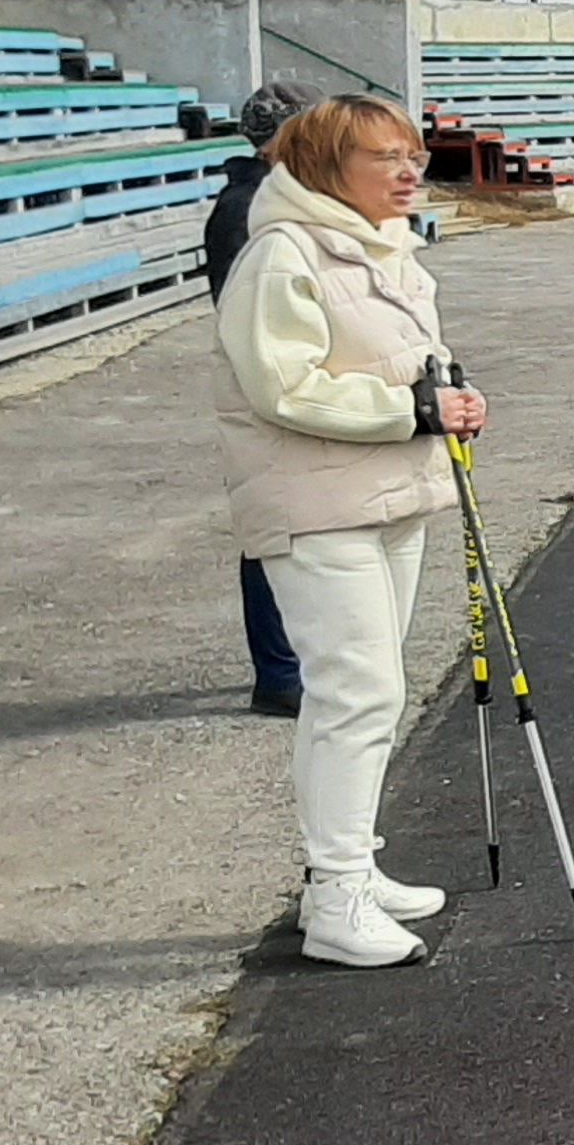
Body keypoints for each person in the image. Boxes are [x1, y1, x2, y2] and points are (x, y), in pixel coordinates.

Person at [215, 92, 489, 969]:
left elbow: (395, 363)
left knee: (375, 689)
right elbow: (283, 388)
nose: (410, 172)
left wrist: (447, 395)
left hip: (384, 494)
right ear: (329, 168)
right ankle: (335, 895)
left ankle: (350, 869)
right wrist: (413, 408)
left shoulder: (383, 248)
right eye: (386, 158)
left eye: (414, 155)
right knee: (355, 691)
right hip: (315, 502)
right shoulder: (281, 254)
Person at [207, 80, 332, 719]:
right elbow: (254, 313)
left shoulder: (283, 200)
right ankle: (279, 673)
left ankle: (296, 662)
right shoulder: (247, 210)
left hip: (294, 377)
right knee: (274, 527)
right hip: (270, 387)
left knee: (301, 522)